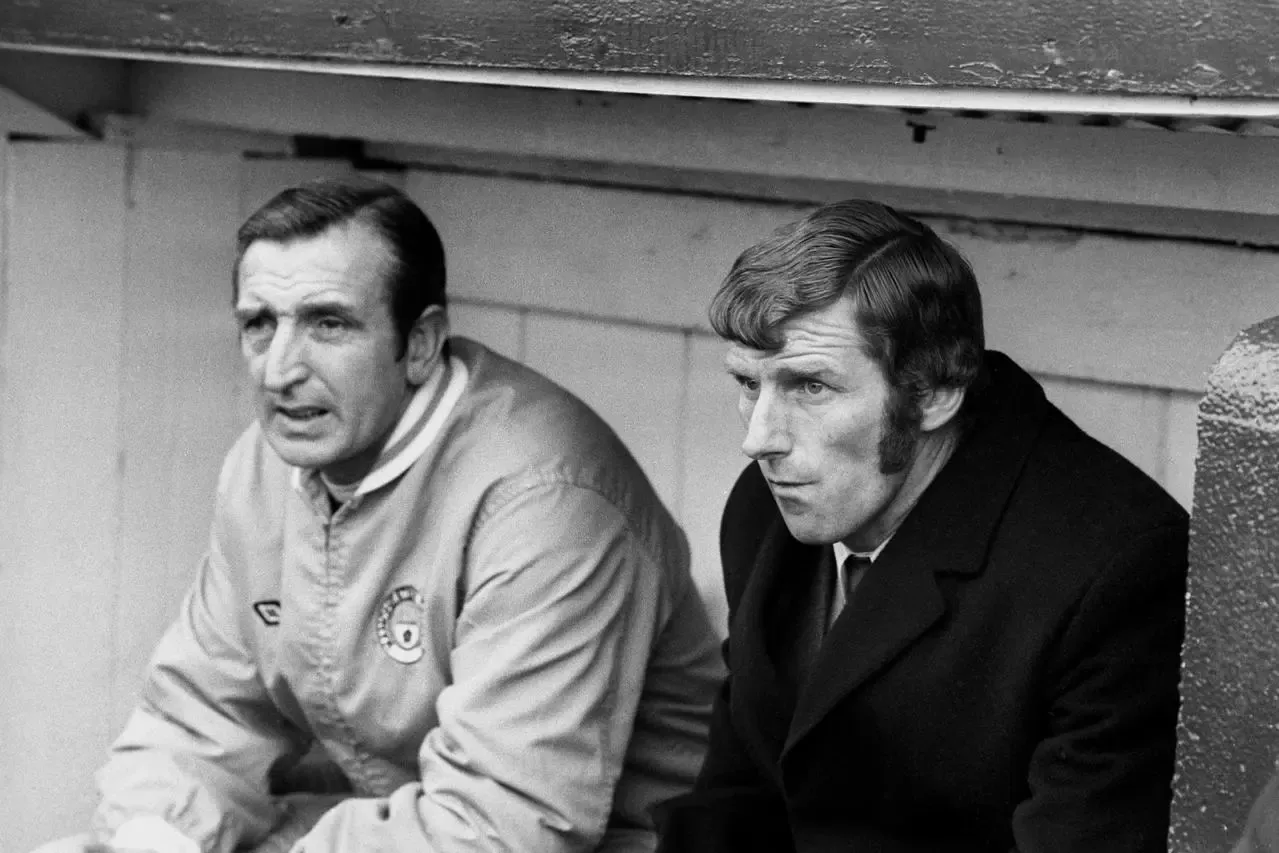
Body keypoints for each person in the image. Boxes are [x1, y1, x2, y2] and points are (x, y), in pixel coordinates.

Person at [39, 178, 723, 853]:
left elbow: (504, 824)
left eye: (328, 323)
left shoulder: (544, 499)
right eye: (258, 324)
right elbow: (203, 716)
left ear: (420, 343)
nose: (279, 370)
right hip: (395, 819)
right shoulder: (267, 465)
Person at [654, 200, 1190, 852]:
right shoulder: (764, 510)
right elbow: (734, 798)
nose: (758, 438)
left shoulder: (1111, 569)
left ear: (933, 390)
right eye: (747, 382)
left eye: (810, 387)